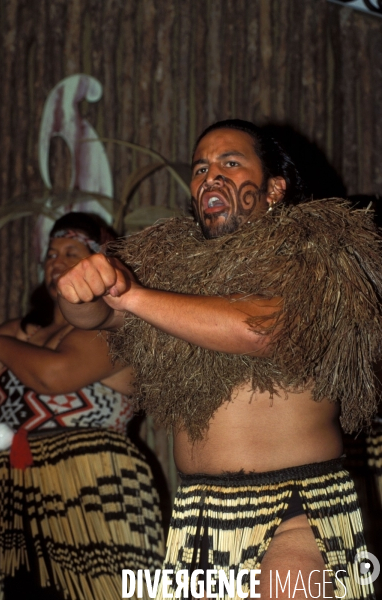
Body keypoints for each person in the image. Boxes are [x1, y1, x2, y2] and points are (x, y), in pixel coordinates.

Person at [57, 121, 382, 600]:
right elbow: (95, 317)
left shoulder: (320, 249)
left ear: (274, 188)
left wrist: (133, 297)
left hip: (296, 511)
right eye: (201, 168)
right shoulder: (167, 266)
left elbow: (262, 327)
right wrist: (79, 292)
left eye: (231, 163)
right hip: (199, 519)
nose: (211, 176)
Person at [0, 212, 164, 600]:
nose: (56, 261)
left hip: (91, 490)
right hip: (13, 487)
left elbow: (56, 375)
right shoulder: (19, 331)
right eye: (51, 253)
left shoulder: (115, 327)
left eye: (71, 252)